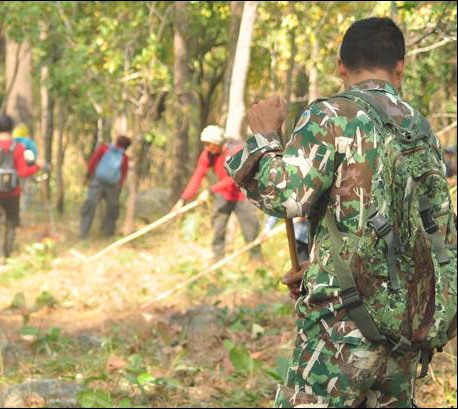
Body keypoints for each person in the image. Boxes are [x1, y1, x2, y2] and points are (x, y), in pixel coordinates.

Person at [225, 17, 457, 407]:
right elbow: (434, 232)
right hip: (404, 325)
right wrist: (318, 265)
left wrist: (264, 138)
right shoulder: (419, 129)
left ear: (340, 66)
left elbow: (287, 196)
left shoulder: (332, 116)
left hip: (340, 327)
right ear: (401, 66)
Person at [172, 125, 260, 262]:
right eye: (205, 144)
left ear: (219, 142)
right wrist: (183, 199)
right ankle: (217, 257)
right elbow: (198, 175)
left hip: (243, 196)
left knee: (251, 229)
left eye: (210, 144)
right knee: (218, 226)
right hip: (223, 195)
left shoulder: (236, 151)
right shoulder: (207, 155)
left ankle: (255, 261)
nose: (207, 148)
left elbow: (234, 178)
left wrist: (209, 190)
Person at [0, 115, 41, 259]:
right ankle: (8, 254)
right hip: (13, 193)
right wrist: (37, 167)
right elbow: (23, 172)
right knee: (11, 224)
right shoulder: (18, 148)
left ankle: (0, 256)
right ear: (11, 129)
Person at [79, 135, 131, 239]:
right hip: (113, 186)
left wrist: (88, 175)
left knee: (90, 205)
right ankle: (108, 233)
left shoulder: (105, 148)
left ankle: (83, 232)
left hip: (97, 182)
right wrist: (119, 186)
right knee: (112, 208)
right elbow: (123, 173)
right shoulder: (124, 158)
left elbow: (93, 161)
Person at [12, 123, 39, 213]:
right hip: (28, 172)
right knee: (26, 193)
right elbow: (35, 157)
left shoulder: (12, 143)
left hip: (14, 173)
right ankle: (22, 212)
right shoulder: (30, 143)